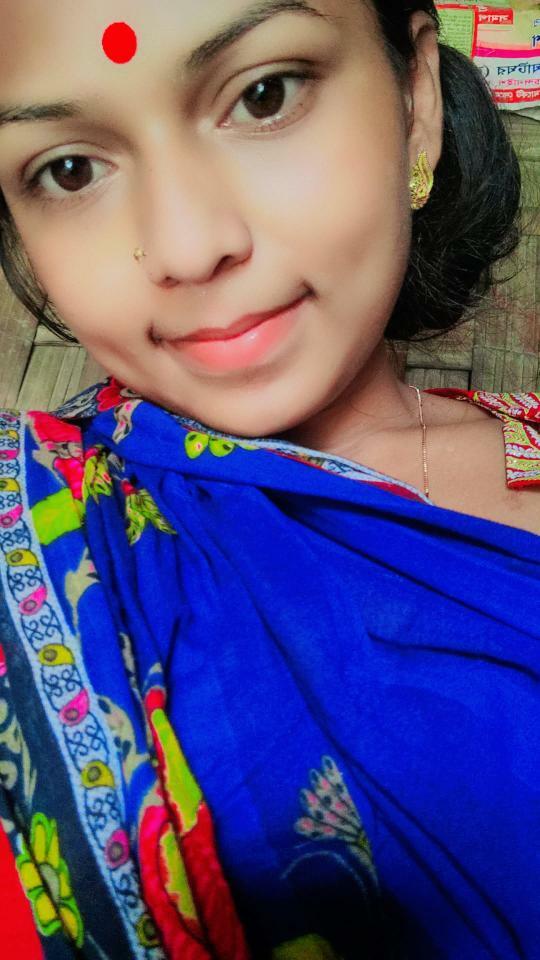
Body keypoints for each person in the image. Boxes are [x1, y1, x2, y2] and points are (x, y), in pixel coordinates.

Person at [0, 0, 538, 957]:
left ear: (416, 98)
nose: (186, 246)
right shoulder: (36, 542)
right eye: (69, 169)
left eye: (264, 95)